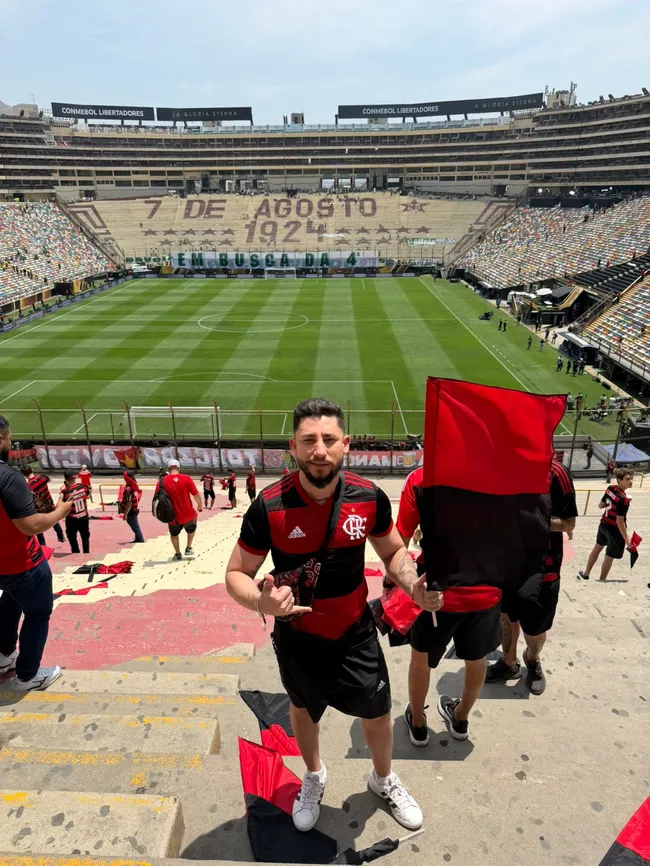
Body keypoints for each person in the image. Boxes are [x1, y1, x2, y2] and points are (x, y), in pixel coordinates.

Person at [225, 398, 441, 833]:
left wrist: (412, 584)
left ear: (345, 444)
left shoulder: (368, 498)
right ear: (293, 447)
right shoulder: (268, 506)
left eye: (327, 439)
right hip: (298, 637)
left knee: (378, 713)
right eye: (308, 440)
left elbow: (394, 551)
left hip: (355, 630)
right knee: (304, 711)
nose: (318, 450)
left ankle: (382, 780)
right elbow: (236, 574)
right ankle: (314, 775)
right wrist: (261, 603)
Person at [397, 465, 502, 744]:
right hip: (486, 587)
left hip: (435, 590)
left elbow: (401, 537)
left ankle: (418, 723)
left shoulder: (420, 478)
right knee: (475, 658)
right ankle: (460, 718)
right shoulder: (497, 474)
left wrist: (392, 582)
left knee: (420, 658)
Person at [486, 460, 578, 695]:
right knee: (506, 617)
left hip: (542, 570)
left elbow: (569, 523)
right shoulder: (500, 467)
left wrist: (529, 520)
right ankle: (508, 663)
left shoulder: (556, 473)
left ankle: (533, 660)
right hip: (505, 565)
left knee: (535, 631)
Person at [0, 415, 72, 691]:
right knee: (38, 613)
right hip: (22, 563)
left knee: (9, 601)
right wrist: (60, 511)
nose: (10, 443)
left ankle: (4, 655)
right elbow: (31, 526)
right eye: (8, 437)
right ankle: (28, 676)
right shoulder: (8, 477)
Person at [577, 468, 634, 582]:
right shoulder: (623, 499)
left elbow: (600, 505)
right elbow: (620, 521)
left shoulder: (610, 488)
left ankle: (586, 573)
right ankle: (602, 579)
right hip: (614, 530)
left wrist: (613, 504)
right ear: (619, 480)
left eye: (632, 479)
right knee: (609, 556)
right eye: (627, 479)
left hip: (604, 524)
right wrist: (627, 539)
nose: (631, 481)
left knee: (597, 548)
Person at [159, 458, 203, 560]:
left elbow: (158, 498)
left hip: (172, 515)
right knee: (191, 530)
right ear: (179, 467)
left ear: (168, 468)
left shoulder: (162, 481)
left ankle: (178, 554)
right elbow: (195, 494)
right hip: (188, 513)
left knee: (174, 534)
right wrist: (200, 504)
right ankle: (188, 547)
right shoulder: (186, 478)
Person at [20, 466, 65, 544]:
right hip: (49, 504)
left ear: (24, 475)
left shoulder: (28, 486)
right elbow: (49, 480)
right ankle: (61, 536)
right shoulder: (42, 477)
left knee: (38, 527)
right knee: (54, 521)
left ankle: (42, 544)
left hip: (38, 509)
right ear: (32, 470)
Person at [61, 471, 91, 554]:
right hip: (84, 516)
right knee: (85, 536)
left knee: (72, 537)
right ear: (75, 478)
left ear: (65, 480)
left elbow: (62, 506)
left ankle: (75, 552)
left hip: (72, 518)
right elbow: (88, 496)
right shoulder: (83, 486)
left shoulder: (65, 492)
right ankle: (86, 552)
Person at [120, 470, 144, 543]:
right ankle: (138, 538)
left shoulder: (129, 489)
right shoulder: (132, 486)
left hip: (131, 511)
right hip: (134, 509)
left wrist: (125, 514)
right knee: (135, 525)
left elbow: (129, 503)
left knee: (135, 526)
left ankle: (140, 539)